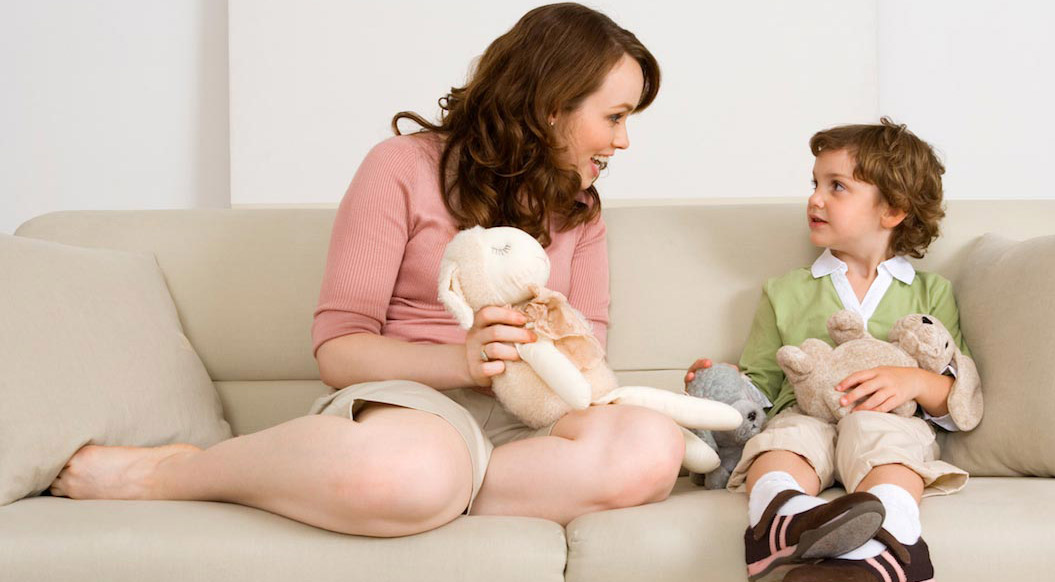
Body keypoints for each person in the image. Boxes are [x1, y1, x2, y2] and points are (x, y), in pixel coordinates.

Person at [48, 3, 685, 537]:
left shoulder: (581, 211)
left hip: (529, 420)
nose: (623, 141)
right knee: (416, 467)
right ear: (551, 106)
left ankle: (431, 493)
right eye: (615, 117)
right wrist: (462, 362)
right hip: (413, 408)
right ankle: (177, 472)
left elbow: (587, 351)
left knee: (652, 447)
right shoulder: (401, 167)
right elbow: (339, 350)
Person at [686, 118, 979, 582]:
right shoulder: (784, 291)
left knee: (884, 438)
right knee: (784, 438)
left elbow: (955, 391)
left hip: (888, 422)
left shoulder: (931, 293)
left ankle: (894, 549)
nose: (815, 199)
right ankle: (781, 521)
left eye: (836, 186)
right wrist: (723, 385)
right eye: (815, 184)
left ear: (893, 210)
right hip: (807, 414)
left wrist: (912, 380)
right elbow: (761, 386)